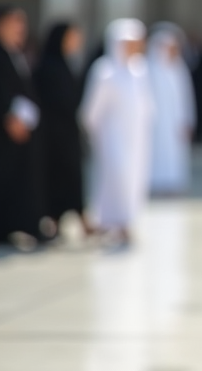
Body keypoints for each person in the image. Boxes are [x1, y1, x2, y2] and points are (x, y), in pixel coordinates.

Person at [81, 19, 155, 246]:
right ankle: (108, 220)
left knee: (133, 178)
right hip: (111, 136)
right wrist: (98, 134)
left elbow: (146, 104)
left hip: (136, 137)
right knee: (115, 178)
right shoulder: (105, 71)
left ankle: (126, 222)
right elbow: (91, 111)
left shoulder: (139, 69)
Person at [33, 21, 90, 234]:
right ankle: (53, 220)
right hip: (53, 136)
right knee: (56, 178)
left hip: (68, 134)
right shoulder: (48, 66)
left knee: (72, 177)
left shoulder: (67, 63)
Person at [0, 5, 46, 246]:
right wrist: (8, 117)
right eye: (14, 22)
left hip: (20, 134)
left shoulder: (17, 53)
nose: (20, 29)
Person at [146, 24, 196, 195]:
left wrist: (189, 120)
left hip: (176, 122)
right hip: (155, 124)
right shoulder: (148, 70)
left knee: (176, 153)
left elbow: (187, 98)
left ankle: (173, 182)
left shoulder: (179, 69)